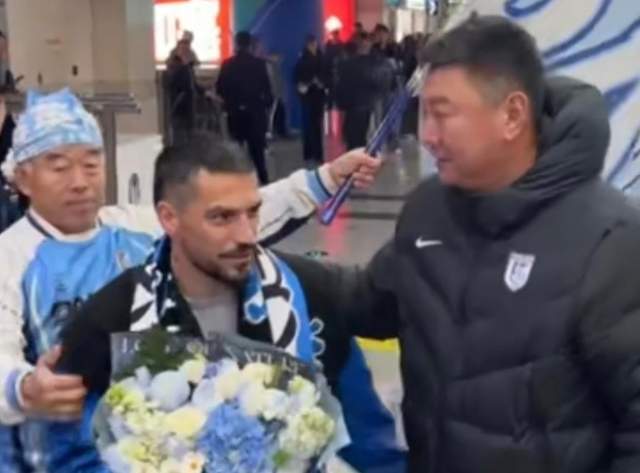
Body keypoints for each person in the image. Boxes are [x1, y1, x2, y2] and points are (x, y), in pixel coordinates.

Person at [280, 14, 640, 472]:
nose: (427, 136)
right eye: (424, 112)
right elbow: (369, 302)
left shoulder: (611, 240)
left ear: (512, 115)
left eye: (443, 114)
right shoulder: (429, 210)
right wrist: (259, 261)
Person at [0, 89, 383, 471]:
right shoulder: (11, 257)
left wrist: (324, 179)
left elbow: (227, 214)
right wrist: (22, 387)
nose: (80, 182)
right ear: (23, 178)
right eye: (59, 167)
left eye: (90, 164)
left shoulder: (131, 226)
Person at [216, 31, 272, 184]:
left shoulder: (227, 65)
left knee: (237, 152)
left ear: (236, 44)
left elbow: (220, 89)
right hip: (255, 114)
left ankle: (238, 184)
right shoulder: (259, 65)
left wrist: (230, 102)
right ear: (250, 45)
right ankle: (263, 184)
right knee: (258, 155)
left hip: (235, 114)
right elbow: (267, 91)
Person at [337, 32, 391, 150]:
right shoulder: (374, 64)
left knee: (353, 140)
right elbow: (379, 84)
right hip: (367, 106)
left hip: (352, 108)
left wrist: (342, 106)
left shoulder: (346, 64)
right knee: (364, 140)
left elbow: (341, 87)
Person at [294, 35, 327, 165]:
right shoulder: (303, 59)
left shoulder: (321, 57)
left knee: (316, 125)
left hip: (318, 95)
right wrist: (308, 82)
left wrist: (321, 82)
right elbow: (297, 78)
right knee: (308, 125)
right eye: (311, 44)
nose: (313, 46)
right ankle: (309, 154)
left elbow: (326, 74)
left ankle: (318, 154)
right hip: (308, 96)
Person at [166, 38, 201, 144]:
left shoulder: (185, 67)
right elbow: (184, 85)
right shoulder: (179, 67)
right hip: (181, 104)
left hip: (184, 103)